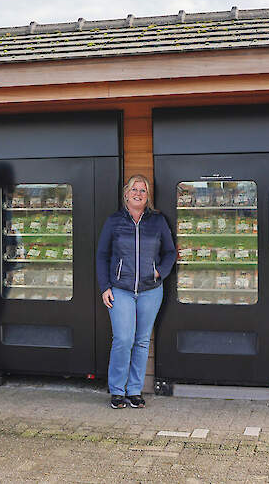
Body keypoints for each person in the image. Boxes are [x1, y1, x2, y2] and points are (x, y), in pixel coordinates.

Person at [96, 174, 176, 408]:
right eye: (134, 189)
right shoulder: (114, 221)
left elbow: (170, 253)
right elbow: (102, 255)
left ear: (147, 196)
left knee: (141, 341)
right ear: (126, 193)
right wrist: (105, 287)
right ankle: (117, 390)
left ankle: (134, 390)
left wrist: (159, 272)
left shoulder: (158, 221)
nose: (138, 194)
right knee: (123, 339)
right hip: (120, 290)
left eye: (143, 190)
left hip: (151, 290)